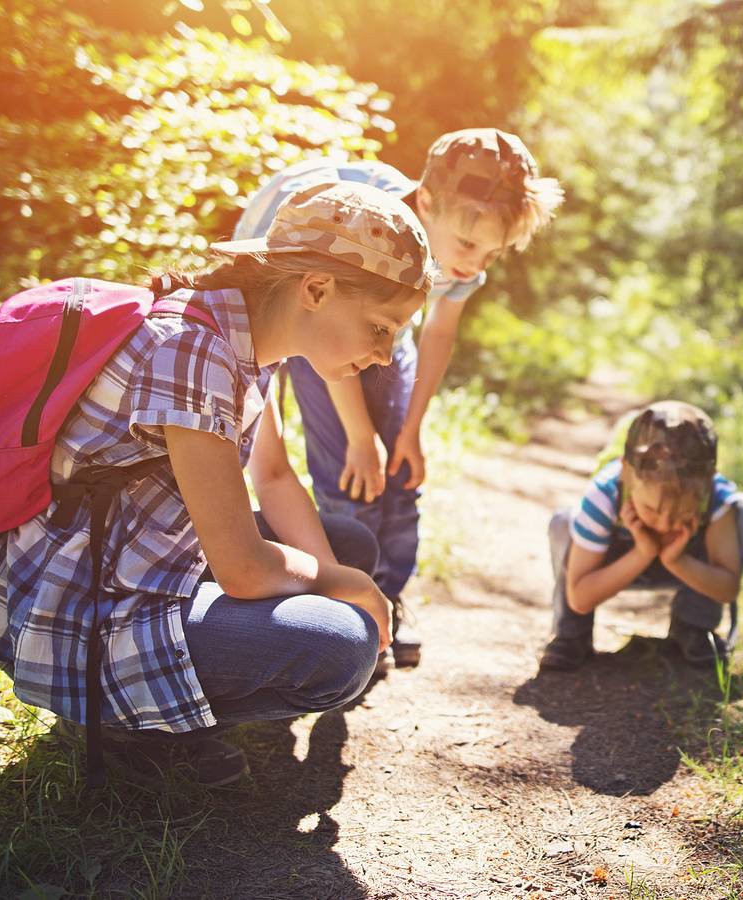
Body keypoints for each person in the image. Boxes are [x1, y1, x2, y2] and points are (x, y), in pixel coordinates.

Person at [0, 181, 432, 786]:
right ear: (316, 290)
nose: (383, 356)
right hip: (93, 610)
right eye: (381, 328)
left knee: (348, 543)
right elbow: (243, 569)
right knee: (340, 645)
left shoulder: (245, 343)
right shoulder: (193, 353)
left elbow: (272, 477)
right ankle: (126, 727)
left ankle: (175, 702)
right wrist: (337, 585)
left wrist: (335, 574)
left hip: (146, 562)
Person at [231, 129, 563, 667]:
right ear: (425, 204)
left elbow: (436, 332)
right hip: (300, 307)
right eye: (469, 246)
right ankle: (349, 605)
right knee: (350, 463)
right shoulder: (366, 235)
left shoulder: (459, 255)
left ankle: (386, 594)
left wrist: (409, 431)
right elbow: (326, 331)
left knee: (399, 470)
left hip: (381, 315)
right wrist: (361, 438)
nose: (477, 265)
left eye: (493, 254)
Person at [541, 401, 743, 671]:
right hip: (616, 564)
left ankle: (693, 625)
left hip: (687, 565)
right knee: (564, 522)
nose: (663, 524)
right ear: (625, 472)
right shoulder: (604, 495)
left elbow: (727, 588)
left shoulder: (715, 498)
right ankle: (571, 635)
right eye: (650, 509)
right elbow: (580, 597)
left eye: (682, 513)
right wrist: (642, 553)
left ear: (708, 483)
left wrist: (677, 561)